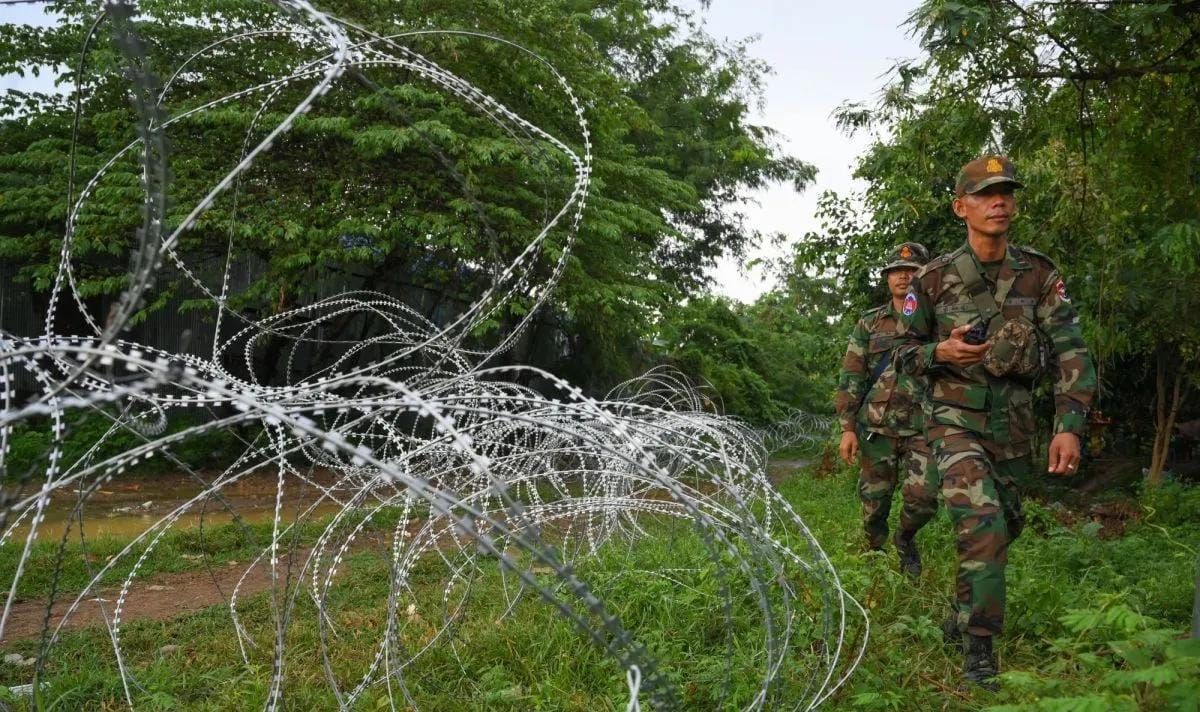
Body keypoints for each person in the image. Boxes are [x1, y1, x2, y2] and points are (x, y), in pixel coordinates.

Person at [893, 155, 1096, 689]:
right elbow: (900, 355)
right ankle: (979, 652)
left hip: (1015, 428)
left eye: (1006, 192)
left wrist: (1069, 423)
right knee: (981, 527)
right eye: (985, 194)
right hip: (953, 423)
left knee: (1005, 525)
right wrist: (940, 351)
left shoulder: (1040, 273)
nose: (999, 201)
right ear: (962, 207)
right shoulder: (933, 280)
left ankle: (962, 614)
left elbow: (1070, 348)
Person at [834, 242, 940, 577]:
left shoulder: (939, 322)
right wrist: (847, 428)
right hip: (877, 429)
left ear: (924, 276)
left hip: (924, 426)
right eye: (897, 270)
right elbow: (852, 375)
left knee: (923, 499)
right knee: (873, 503)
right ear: (887, 278)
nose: (904, 276)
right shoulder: (870, 324)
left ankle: (906, 538)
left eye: (912, 271)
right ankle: (873, 555)